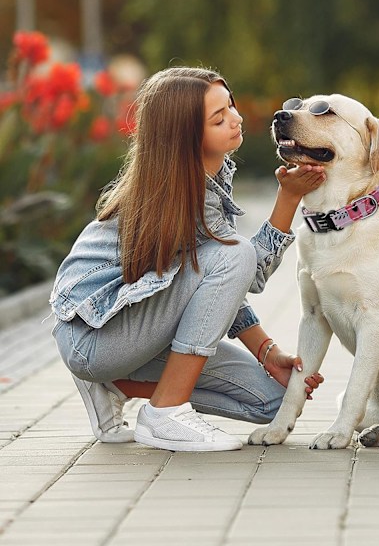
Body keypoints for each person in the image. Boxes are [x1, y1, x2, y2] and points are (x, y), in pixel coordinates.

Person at [50, 67, 325, 452]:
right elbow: (246, 271)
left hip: (139, 327)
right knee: (235, 256)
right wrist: (289, 199)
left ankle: (116, 387)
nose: (237, 118)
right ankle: (165, 413)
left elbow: (213, 287)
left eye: (231, 106)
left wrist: (267, 352)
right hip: (96, 336)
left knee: (273, 402)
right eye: (220, 117)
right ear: (186, 137)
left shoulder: (209, 175)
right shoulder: (175, 192)